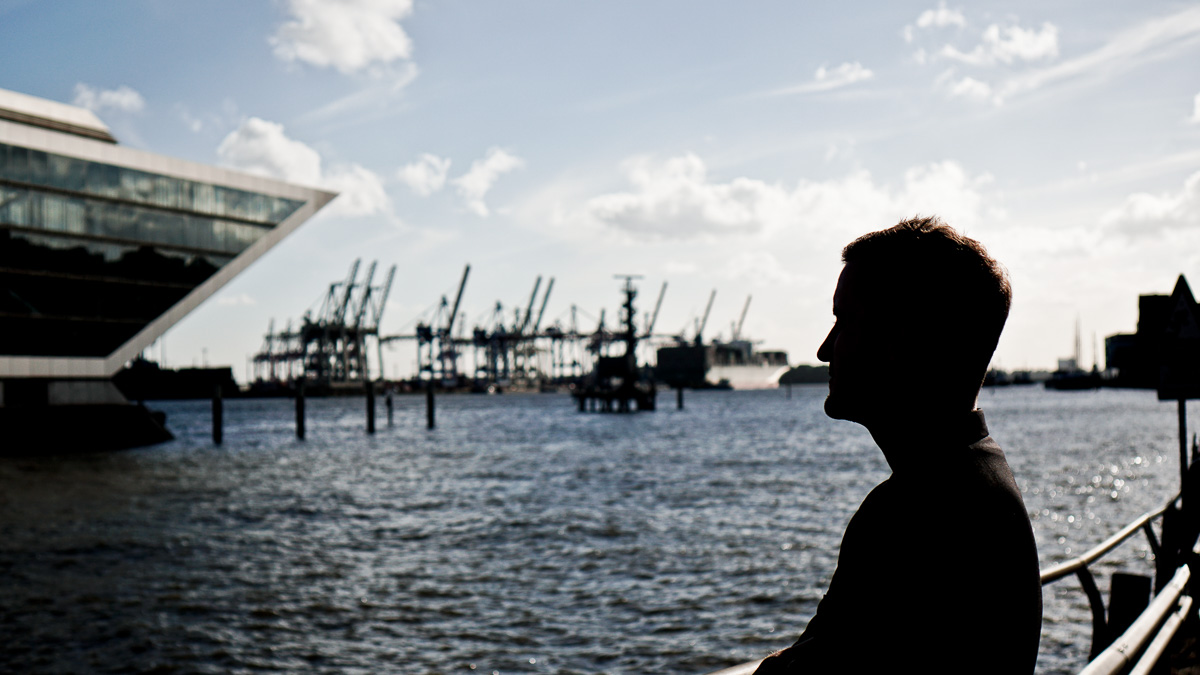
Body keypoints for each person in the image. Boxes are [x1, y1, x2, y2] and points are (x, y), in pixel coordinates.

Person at [755, 217, 1042, 674]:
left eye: (845, 322)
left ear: (898, 339)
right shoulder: (979, 480)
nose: (824, 350)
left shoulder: (917, 512)